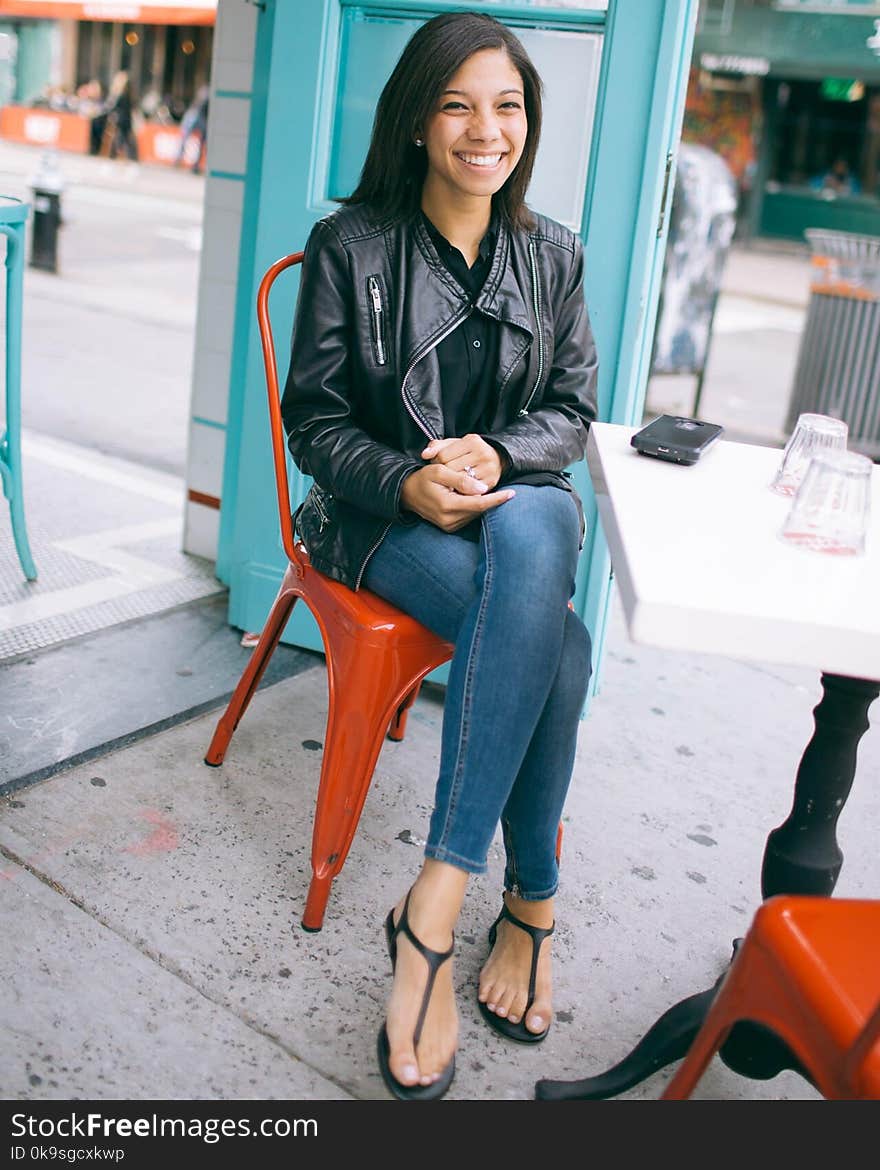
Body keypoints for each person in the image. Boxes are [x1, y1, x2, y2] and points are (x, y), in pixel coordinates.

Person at [281, 10, 598, 1101]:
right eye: (458, 103)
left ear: (528, 123)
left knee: (534, 518)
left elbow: (571, 411)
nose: (485, 128)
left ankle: (434, 901)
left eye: (506, 105)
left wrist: (496, 453)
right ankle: (527, 906)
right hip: (373, 524)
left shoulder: (552, 254)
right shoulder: (351, 246)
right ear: (418, 120)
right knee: (557, 642)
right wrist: (405, 479)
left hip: (505, 515)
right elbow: (313, 424)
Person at [104, 71, 138, 161]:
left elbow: (112, 107)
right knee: (123, 138)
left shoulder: (120, 94)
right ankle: (123, 156)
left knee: (121, 138)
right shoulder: (128, 94)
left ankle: (116, 155)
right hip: (125, 119)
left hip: (122, 119)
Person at [175, 85, 210, 173]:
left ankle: (194, 164)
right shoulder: (206, 90)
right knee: (186, 137)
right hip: (197, 115)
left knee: (201, 142)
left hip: (201, 116)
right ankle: (179, 159)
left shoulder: (206, 90)